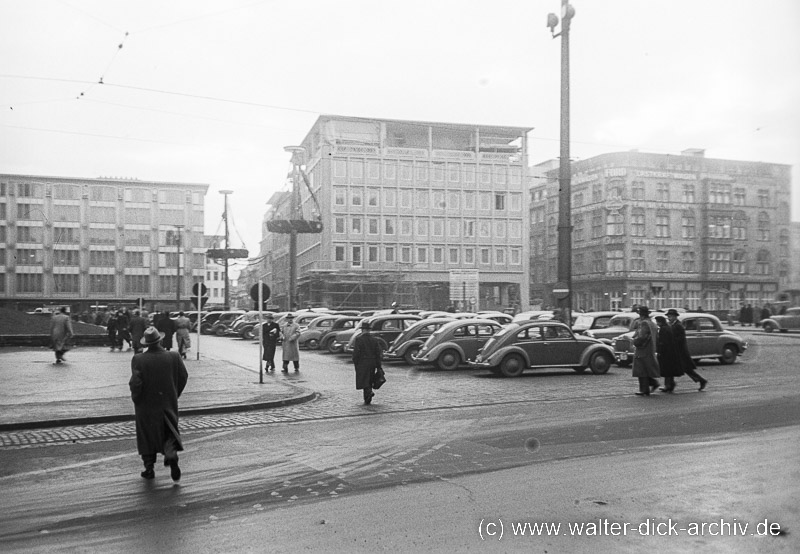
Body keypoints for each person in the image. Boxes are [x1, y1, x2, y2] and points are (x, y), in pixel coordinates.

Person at [129, 327, 188, 481]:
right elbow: (183, 376)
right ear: (160, 340)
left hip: (146, 405)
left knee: (146, 435)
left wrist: (137, 398)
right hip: (167, 402)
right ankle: (170, 453)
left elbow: (136, 383)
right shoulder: (174, 356)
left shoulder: (139, 359)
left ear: (146, 343)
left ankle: (149, 468)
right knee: (168, 432)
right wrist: (175, 394)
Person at [666, 309, 708, 391]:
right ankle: (669, 385)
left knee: (686, 369)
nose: (669, 318)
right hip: (675, 351)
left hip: (680, 352)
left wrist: (670, 341)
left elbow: (680, 339)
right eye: (668, 316)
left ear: (675, 317)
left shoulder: (678, 326)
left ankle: (702, 380)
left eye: (670, 316)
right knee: (670, 368)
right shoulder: (671, 324)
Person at [352, 320, 383, 405]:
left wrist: (355, 362)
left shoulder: (359, 339)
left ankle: (368, 393)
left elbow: (356, 353)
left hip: (362, 362)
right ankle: (367, 398)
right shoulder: (374, 339)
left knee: (363, 379)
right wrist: (378, 365)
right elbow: (378, 353)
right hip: (372, 362)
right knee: (369, 379)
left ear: (363, 330)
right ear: (369, 330)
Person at [632, 306, 660, 396]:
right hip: (650, 348)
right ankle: (649, 386)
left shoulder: (644, 323)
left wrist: (634, 341)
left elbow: (642, 337)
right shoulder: (652, 323)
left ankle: (644, 389)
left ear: (642, 315)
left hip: (642, 349)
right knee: (646, 368)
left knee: (641, 369)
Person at [654, 315, 683, 393]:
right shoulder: (668, 327)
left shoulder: (664, 329)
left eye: (657, 322)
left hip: (666, 352)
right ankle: (670, 384)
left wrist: (659, 351)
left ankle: (668, 385)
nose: (657, 324)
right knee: (669, 370)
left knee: (667, 370)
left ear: (660, 322)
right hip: (670, 352)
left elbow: (663, 342)